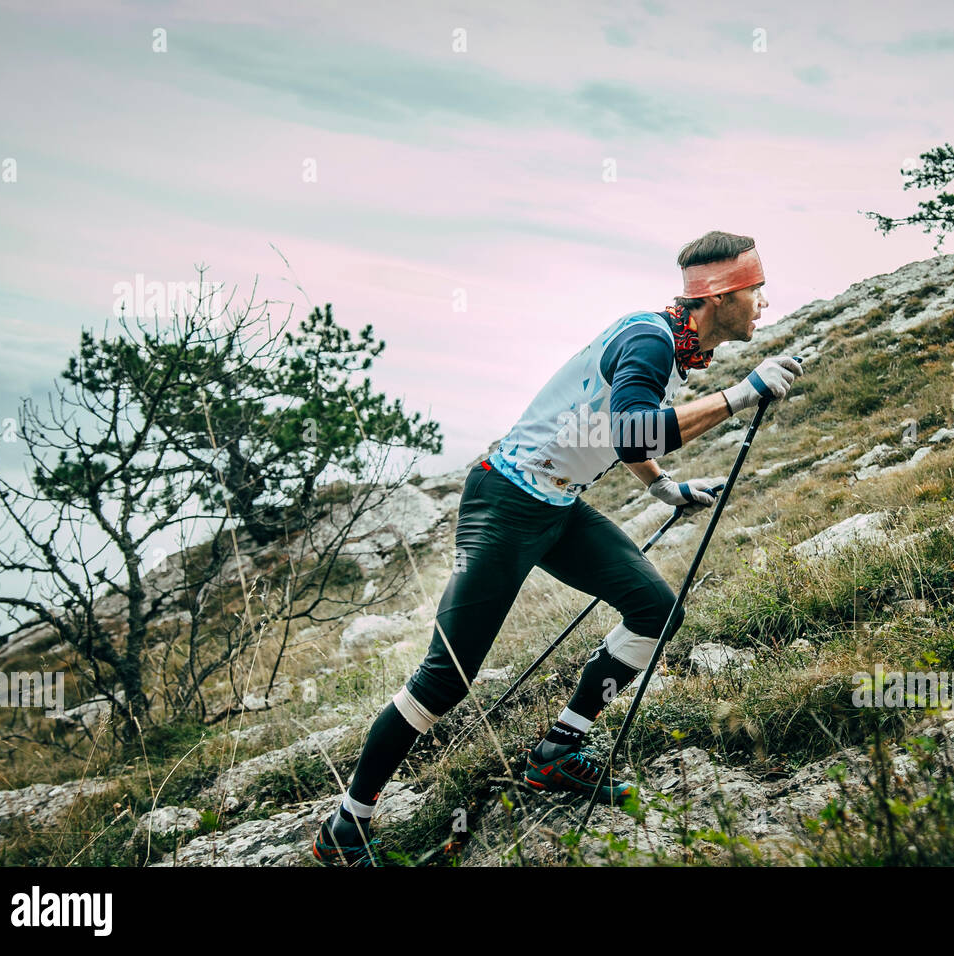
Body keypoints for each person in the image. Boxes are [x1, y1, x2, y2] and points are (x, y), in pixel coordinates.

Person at [313, 230, 803, 865]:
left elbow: (615, 426)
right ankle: (346, 827)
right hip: (506, 503)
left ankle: (558, 752)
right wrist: (743, 395)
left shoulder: (669, 344)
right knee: (446, 679)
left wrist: (663, 488)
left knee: (657, 609)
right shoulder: (651, 340)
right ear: (720, 297)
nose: (764, 302)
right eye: (756, 290)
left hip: (556, 503)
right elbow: (633, 429)